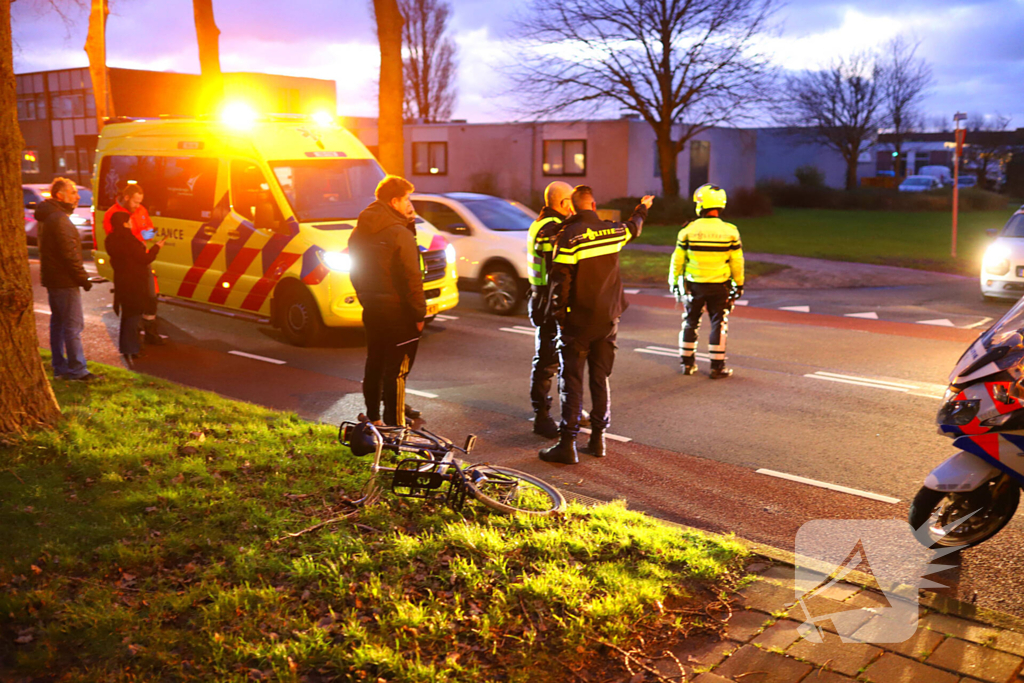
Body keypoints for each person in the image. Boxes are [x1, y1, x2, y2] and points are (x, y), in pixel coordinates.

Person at [540, 186, 654, 464]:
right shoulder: (613, 231)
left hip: (578, 322)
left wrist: (560, 317)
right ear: (594, 204)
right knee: (600, 379)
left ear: (574, 206)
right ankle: (598, 440)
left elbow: (560, 281)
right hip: (608, 320)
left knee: (573, 381)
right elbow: (633, 227)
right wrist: (642, 208)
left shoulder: (568, 237)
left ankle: (567, 445)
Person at [349, 175, 426, 427]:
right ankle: (395, 426)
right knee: (397, 371)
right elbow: (412, 278)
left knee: (375, 362)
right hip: (398, 312)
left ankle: (374, 418)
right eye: (406, 199)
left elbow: (354, 271)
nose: (409, 205)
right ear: (394, 201)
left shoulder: (360, 230)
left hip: (372, 307)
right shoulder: (397, 233)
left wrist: (365, 296)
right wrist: (418, 315)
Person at [669, 183, 745, 379]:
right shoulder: (731, 231)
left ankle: (687, 364)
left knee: (690, 322)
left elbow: (677, 260)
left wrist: (674, 281)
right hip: (720, 285)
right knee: (719, 323)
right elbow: (737, 261)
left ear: (700, 205)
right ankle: (716, 367)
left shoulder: (688, 230)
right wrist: (740, 284)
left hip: (694, 285)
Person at [36, 177, 101, 381]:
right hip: (64, 281)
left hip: (55, 280)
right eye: (72, 192)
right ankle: (77, 369)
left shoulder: (50, 216)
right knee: (73, 326)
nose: (77, 196)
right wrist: (83, 278)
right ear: (59, 195)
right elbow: (69, 254)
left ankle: (61, 367)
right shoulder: (59, 219)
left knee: (59, 325)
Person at [526, 181, 574, 439]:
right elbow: (559, 267)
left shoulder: (543, 222)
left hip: (540, 298)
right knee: (546, 361)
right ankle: (541, 417)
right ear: (564, 203)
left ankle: (564, 410)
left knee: (554, 359)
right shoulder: (550, 229)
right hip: (546, 303)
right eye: (572, 202)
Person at [103, 184, 164, 346]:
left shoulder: (140, 210)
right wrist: (138, 238)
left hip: (141, 257)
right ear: (127, 197)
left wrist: (141, 237)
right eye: (135, 202)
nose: (138, 206)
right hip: (129, 264)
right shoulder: (113, 214)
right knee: (133, 300)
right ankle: (134, 336)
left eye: (140, 202)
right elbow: (118, 240)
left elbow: (150, 231)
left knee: (151, 296)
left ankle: (150, 332)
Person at [105, 212, 165, 368]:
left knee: (127, 315)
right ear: (125, 223)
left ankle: (126, 347)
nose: (132, 222)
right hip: (135, 283)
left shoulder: (111, 240)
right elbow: (144, 259)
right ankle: (131, 349)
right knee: (133, 316)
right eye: (130, 220)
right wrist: (156, 248)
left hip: (122, 281)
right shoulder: (130, 241)